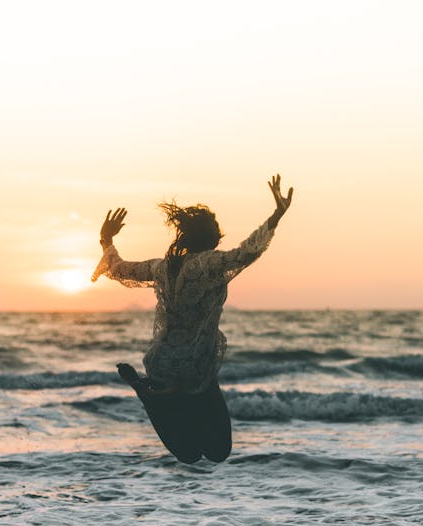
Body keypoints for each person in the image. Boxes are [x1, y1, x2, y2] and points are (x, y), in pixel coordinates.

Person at [91, 175, 293, 463]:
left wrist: (106, 240)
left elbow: (121, 269)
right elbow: (246, 253)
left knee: (188, 455)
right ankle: (145, 392)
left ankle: (146, 392)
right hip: (197, 367)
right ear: (210, 236)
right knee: (217, 452)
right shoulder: (209, 263)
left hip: (164, 364)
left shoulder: (162, 267)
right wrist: (276, 216)